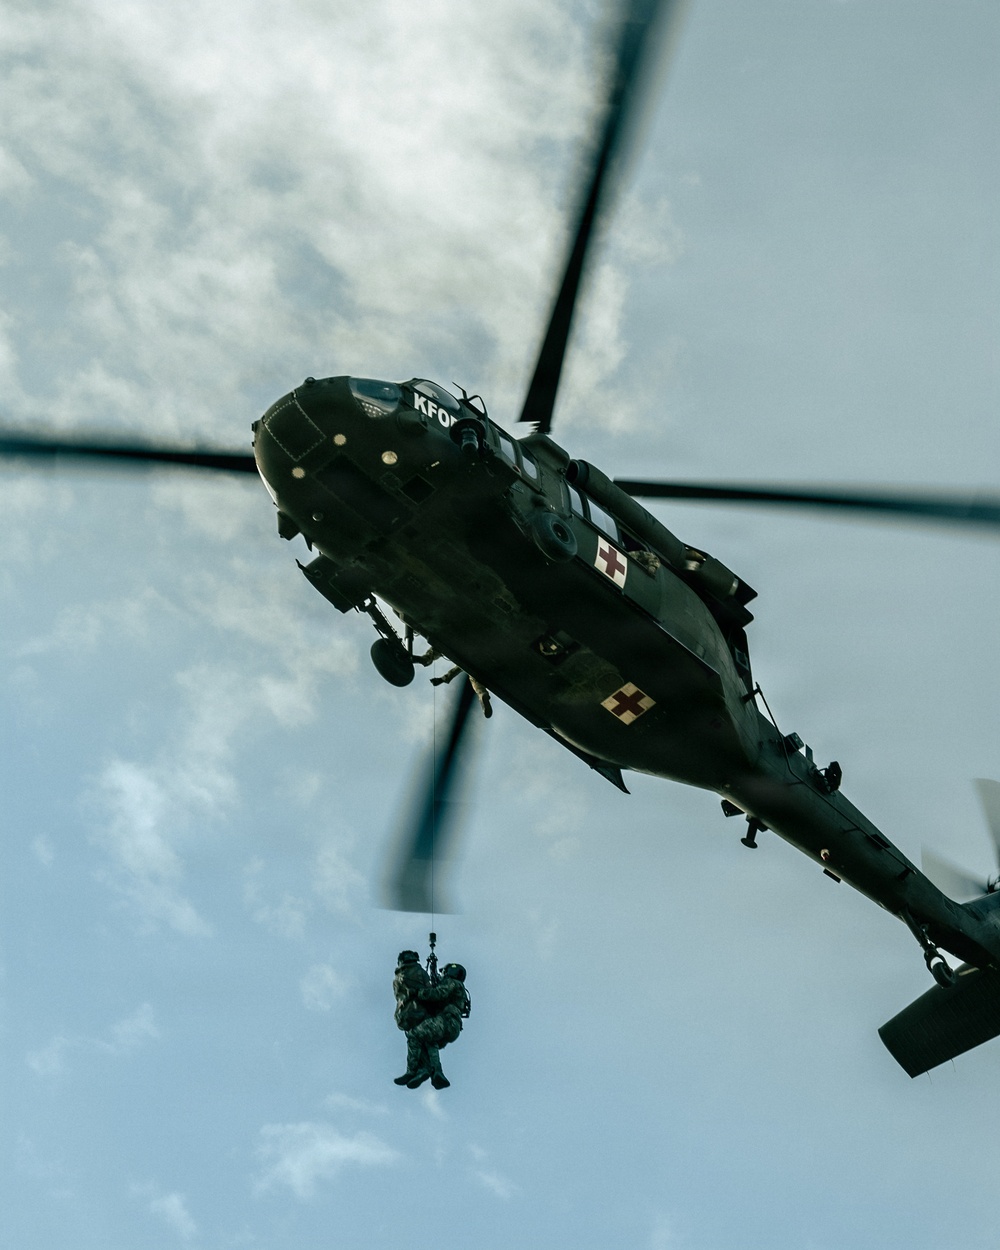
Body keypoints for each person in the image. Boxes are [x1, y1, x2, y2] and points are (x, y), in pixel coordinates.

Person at [403, 963, 469, 1091]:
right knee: (429, 1041)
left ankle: (416, 1069)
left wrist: (419, 993)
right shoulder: (459, 989)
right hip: (453, 1027)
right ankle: (436, 1072)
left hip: (445, 1021)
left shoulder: (452, 982)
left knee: (414, 1034)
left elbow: (439, 994)